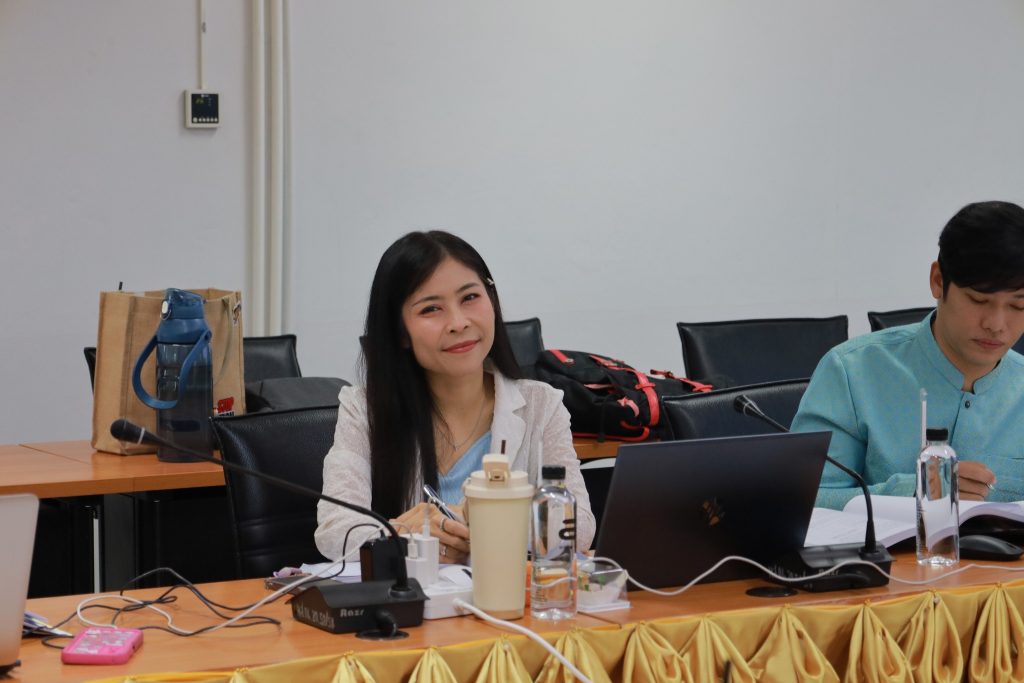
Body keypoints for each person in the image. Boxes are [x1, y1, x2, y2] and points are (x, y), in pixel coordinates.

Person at [314, 230, 595, 563]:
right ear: (400, 332)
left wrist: (489, 521)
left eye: (470, 297)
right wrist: (402, 533)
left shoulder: (541, 405)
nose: (458, 323)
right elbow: (335, 532)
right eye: (431, 308)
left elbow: (579, 528)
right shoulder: (365, 410)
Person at [792, 201, 1024, 510]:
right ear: (938, 281)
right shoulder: (851, 372)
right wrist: (911, 491)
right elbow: (803, 500)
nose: (996, 324)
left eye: (1018, 306)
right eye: (978, 300)